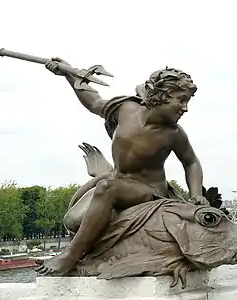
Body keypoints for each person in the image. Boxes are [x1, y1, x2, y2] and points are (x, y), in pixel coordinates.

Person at [36, 58, 209, 275]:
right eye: (181, 100)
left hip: (149, 191)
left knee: (107, 188)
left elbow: (191, 161)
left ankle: (70, 256)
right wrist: (70, 76)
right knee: (72, 220)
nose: (185, 108)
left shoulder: (173, 134)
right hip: (118, 180)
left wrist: (196, 195)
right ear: (162, 96)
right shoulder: (126, 109)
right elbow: (95, 103)